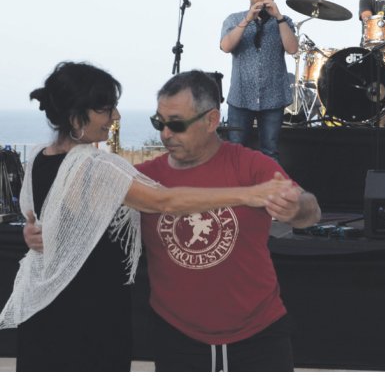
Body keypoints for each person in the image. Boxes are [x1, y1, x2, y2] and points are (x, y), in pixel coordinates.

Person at [2, 62, 292, 371]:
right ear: (77, 118)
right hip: (88, 318)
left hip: (45, 312)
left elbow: (37, 220)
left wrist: (30, 235)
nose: (115, 116)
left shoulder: (38, 156)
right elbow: (164, 201)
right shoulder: (95, 165)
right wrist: (249, 193)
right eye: (106, 109)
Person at [136, 70, 320, 371]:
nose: (165, 134)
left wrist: (295, 209)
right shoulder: (146, 177)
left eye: (176, 124)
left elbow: (311, 210)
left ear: (211, 121)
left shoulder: (251, 164)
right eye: (159, 122)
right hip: (177, 337)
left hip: (259, 335)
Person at [220, 0, 299, 160]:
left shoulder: (284, 21)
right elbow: (225, 46)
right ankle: (237, 189)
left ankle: (269, 190)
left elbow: (293, 48)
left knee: (270, 152)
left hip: (273, 96)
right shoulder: (234, 19)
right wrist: (247, 20)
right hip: (241, 97)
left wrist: (278, 17)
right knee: (236, 152)